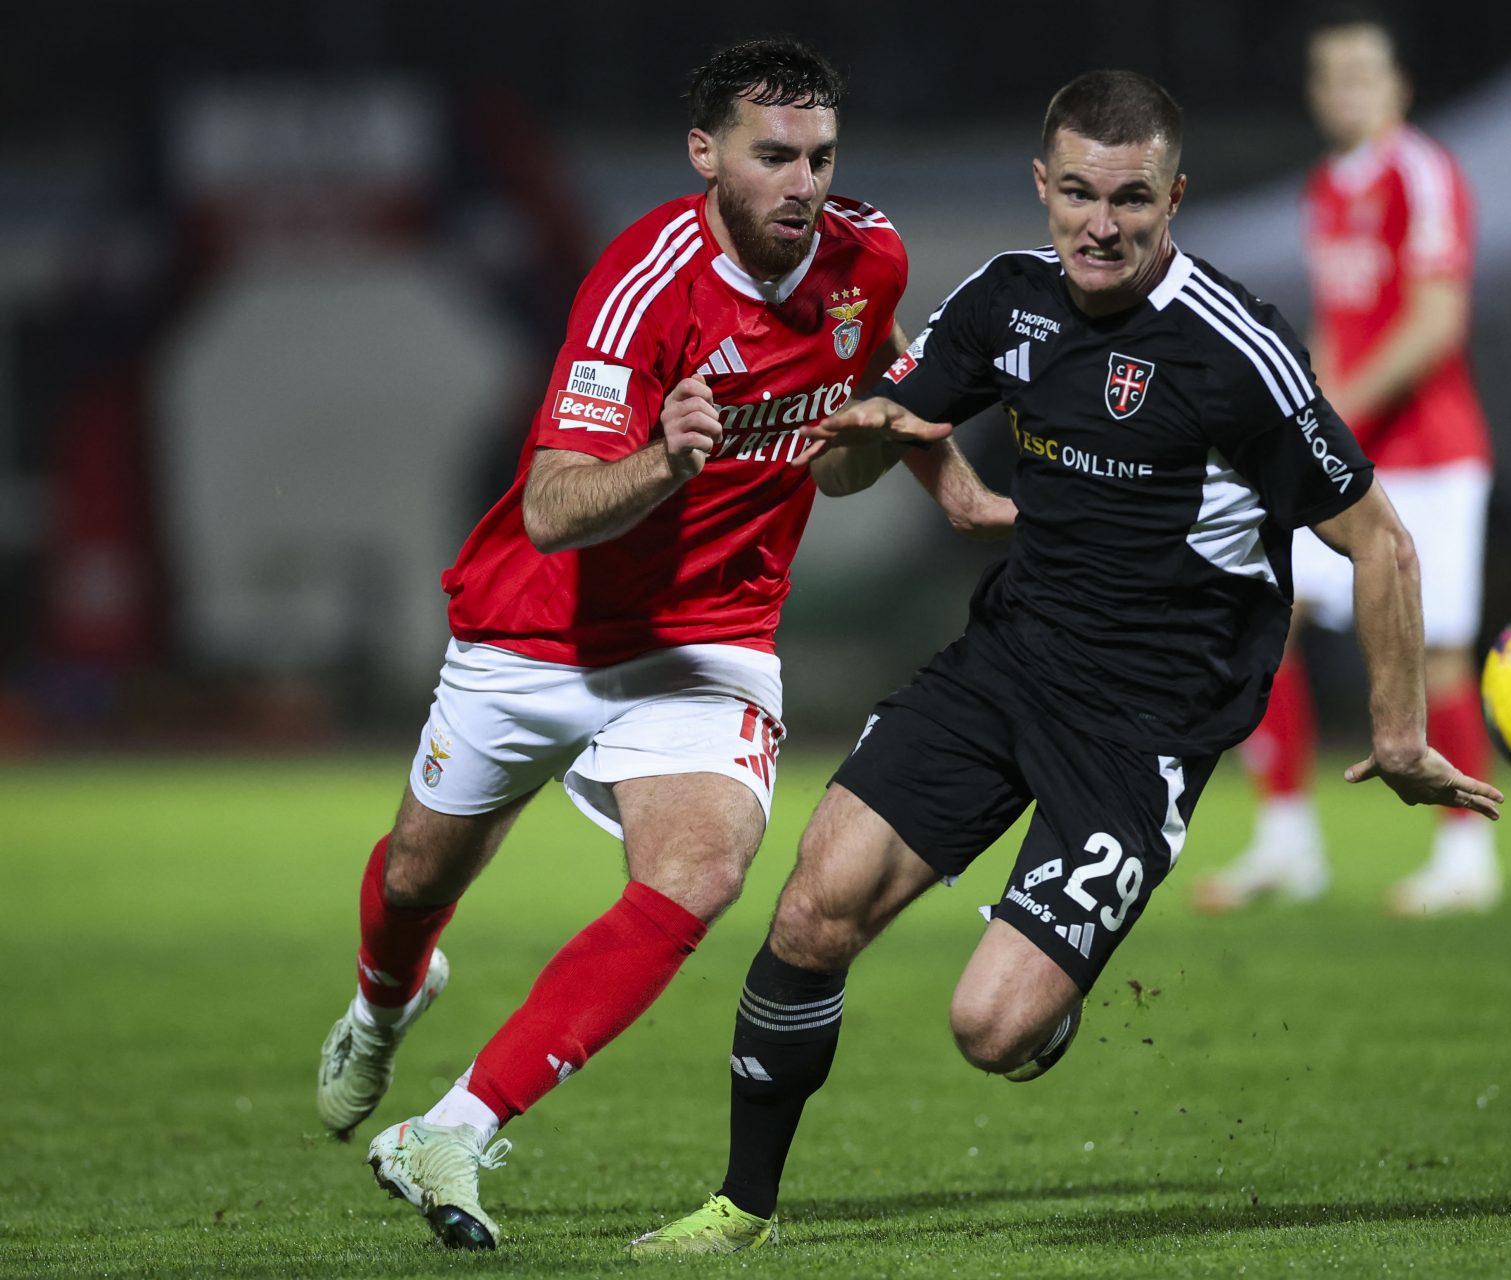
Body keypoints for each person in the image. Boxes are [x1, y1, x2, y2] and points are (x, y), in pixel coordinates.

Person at [630, 67, 1502, 1256]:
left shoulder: (1232, 351)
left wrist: (1398, 735)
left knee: (988, 1028)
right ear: (1043, 188)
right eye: (1081, 193)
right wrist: (869, 444)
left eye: (1132, 199)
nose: (1103, 224)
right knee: (815, 901)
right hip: (1012, 657)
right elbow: (847, 462)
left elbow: (1382, 539)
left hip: (1147, 724)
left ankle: (1047, 1005)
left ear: (1175, 199)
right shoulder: (1006, 301)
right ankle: (742, 1207)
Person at [313, 37, 1007, 1251]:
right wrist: (668, 460)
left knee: (699, 870)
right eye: (775, 156)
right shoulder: (644, 283)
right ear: (707, 155)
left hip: (712, 636)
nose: (804, 184)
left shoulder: (866, 257)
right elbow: (551, 506)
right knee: (421, 874)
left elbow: (848, 427)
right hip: (542, 630)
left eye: (822, 158)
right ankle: (383, 1004)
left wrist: (933, 470)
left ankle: (453, 1129)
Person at [1192, 8, 1501, 917]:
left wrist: (1337, 409)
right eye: (1330, 76)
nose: (1346, 90)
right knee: (1266, 620)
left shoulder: (1424, 172)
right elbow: (1341, 321)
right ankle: (1288, 845)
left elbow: (1438, 321)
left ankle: (1467, 855)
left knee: (1434, 650)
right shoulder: (1326, 187)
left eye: (1364, 73)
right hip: (1358, 452)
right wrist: (1301, 409)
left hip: (1432, 455)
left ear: (1400, 86)